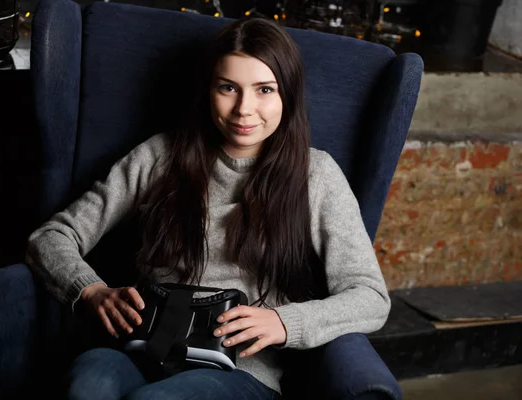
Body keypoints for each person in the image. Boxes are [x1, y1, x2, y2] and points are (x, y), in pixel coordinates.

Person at [26, 16, 391, 400]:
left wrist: (285, 322)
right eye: (228, 88)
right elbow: (50, 237)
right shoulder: (160, 156)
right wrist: (90, 291)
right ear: (209, 91)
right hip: (141, 348)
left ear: (289, 95)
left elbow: (370, 296)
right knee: (88, 386)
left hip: (241, 371)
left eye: (265, 89)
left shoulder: (316, 176)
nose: (244, 109)